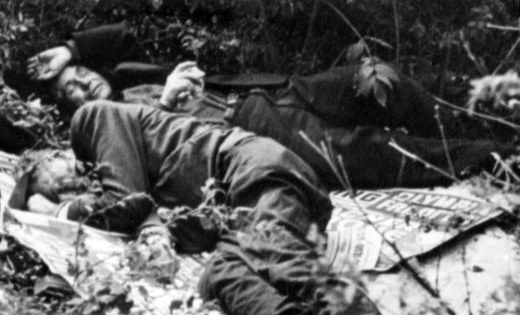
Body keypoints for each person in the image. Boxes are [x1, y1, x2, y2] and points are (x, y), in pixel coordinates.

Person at [20, 99, 400, 315]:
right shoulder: (120, 166)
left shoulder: (91, 119)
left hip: (250, 166)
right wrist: (161, 232)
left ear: (53, 155)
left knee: (278, 254)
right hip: (240, 197)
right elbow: (149, 208)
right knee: (219, 275)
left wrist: (57, 211)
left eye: (49, 185)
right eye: (59, 195)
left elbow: (126, 200)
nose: (65, 193)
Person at [26, 22, 517, 190]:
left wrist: (70, 50)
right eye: (69, 90)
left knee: (383, 80)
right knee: (365, 153)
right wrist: (174, 107)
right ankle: (496, 158)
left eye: (83, 74)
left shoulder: (133, 76)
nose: (82, 84)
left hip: (282, 90)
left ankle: (482, 125)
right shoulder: (111, 127)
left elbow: (125, 36)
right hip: (252, 128)